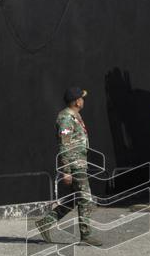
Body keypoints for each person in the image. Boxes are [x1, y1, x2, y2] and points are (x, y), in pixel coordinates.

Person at [34, 87, 102, 247]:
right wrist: (66, 171)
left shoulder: (75, 116)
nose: (83, 101)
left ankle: (45, 223)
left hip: (80, 163)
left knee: (73, 199)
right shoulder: (65, 118)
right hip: (74, 164)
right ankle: (86, 235)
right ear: (77, 101)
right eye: (82, 98)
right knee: (85, 199)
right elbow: (64, 146)